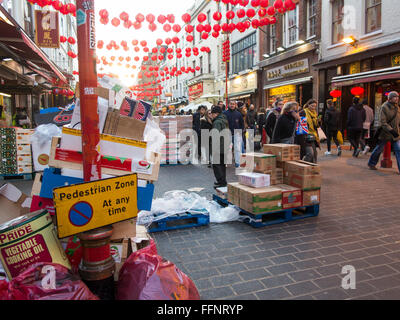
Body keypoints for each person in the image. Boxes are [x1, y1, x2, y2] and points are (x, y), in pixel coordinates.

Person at [368, 91, 400, 172]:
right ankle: (371, 163)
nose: (396, 98)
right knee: (379, 149)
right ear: (389, 99)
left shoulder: (397, 107)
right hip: (385, 133)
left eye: (397, 97)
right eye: (394, 97)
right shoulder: (384, 107)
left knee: (398, 150)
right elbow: (383, 122)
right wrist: (391, 130)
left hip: (396, 133)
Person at [210, 106, 229, 188]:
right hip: (224, 145)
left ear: (216, 113)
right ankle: (222, 181)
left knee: (217, 165)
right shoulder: (224, 119)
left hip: (218, 146)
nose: (211, 115)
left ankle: (221, 182)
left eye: (212, 113)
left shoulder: (217, 122)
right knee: (222, 164)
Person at [223, 100, 244, 167]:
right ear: (228, 104)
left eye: (233, 104)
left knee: (237, 149)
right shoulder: (224, 113)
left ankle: (237, 163)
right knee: (227, 149)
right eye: (231, 104)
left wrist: (240, 131)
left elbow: (242, 124)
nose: (232, 105)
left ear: (235, 105)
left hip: (237, 133)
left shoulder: (238, 114)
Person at [304, 99, 320, 163]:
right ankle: (310, 165)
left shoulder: (314, 113)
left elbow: (315, 125)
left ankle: (312, 165)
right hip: (307, 134)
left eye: (315, 106)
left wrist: (318, 121)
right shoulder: (304, 112)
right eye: (312, 106)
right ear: (308, 105)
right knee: (311, 153)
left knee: (314, 152)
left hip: (314, 134)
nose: (313, 108)